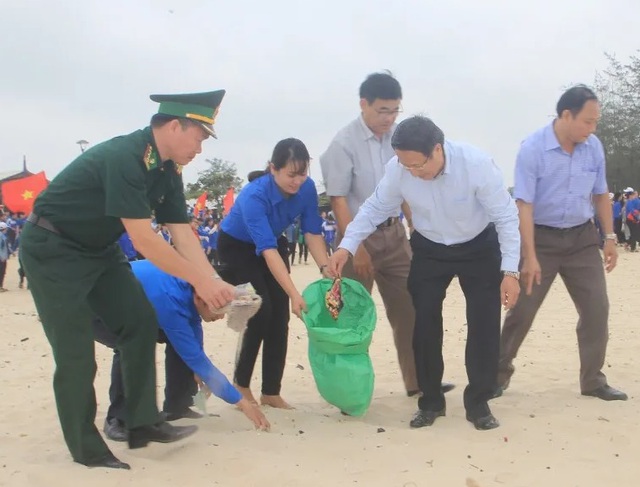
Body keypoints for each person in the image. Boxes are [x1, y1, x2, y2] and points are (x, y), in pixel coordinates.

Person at [19, 90, 238, 469]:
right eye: (199, 138)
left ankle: (142, 423)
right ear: (174, 125)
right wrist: (200, 283)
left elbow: (182, 233)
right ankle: (87, 449)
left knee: (139, 322)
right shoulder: (125, 157)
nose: (200, 149)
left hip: (98, 251)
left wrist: (213, 281)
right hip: (53, 248)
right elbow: (144, 240)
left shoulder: (168, 171)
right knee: (75, 353)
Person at [329, 116, 521, 430]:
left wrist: (510, 271)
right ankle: (430, 401)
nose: (414, 173)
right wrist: (346, 246)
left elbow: (506, 217)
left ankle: (479, 404)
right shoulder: (399, 169)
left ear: (437, 149)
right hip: (430, 247)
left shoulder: (476, 164)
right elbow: (374, 208)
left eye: (418, 166)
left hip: (478, 246)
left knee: (484, 322)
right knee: (423, 321)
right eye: (406, 167)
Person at [497, 85, 627, 401]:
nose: (592, 128)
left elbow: (600, 193)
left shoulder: (593, 147)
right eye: (587, 121)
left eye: (595, 122)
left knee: (597, 308)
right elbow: (523, 205)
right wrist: (529, 256)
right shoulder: (532, 149)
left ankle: (593, 381)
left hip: (582, 238)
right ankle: (496, 376)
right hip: (540, 237)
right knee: (522, 311)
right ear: (566, 115)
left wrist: (609, 237)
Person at [320, 72, 422, 396]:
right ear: (363, 104)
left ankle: (419, 385)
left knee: (410, 311)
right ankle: (350, 390)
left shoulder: (398, 140)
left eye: (395, 111)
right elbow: (338, 200)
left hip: (395, 239)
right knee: (351, 318)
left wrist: (414, 227)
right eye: (383, 111)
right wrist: (356, 248)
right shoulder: (342, 144)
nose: (389, 118)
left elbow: (404, 189)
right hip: (356, 243)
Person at [93, 259, 270, 441]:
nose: (221, 317)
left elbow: (194, 334)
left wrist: (196, 368)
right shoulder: (172, 301)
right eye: (219, 310)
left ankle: (177, 406)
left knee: (182, 345)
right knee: (132, 347)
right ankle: (117, 419)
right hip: (96, 308)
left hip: (137, 305)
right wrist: (242, 402)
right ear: (201, 298)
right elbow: (197, 359)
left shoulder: (192, 286)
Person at [217, 138, 336, 409]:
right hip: (237, 248)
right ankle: (241, 384)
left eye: (303, 173)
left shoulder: (307, 189)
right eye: (291, 174)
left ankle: (271, 392)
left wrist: (326, 270)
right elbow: (267, 251)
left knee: (280, 316)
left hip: (272, 242)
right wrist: (294, 292)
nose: (297, 181)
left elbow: (312, 232)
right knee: (261, 310)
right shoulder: (253, 196)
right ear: (273, 168)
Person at [0, 222, 8, 292]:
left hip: (2, 257)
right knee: (1, 272)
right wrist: (2, 257)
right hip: (1, 258)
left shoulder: (3, 236)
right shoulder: (2, 236)